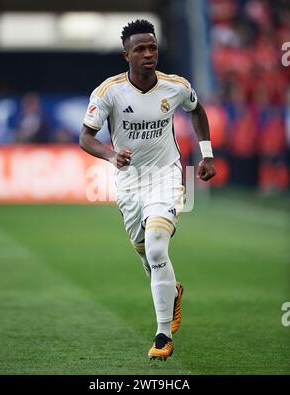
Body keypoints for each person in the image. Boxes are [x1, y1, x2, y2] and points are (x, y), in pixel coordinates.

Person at [80, 19, 216, 361]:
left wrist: (207, 154)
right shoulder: (108, 92)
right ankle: (172, 293)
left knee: (157, 248)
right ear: (127, 54)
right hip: (129, 183)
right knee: (147, 254)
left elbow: (197, 110)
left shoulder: (176, 87)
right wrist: (112, 155)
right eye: (140, 49)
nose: (148, 54)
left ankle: (162, 336)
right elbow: (85, 137)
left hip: (166, 177)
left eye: (152, 47)